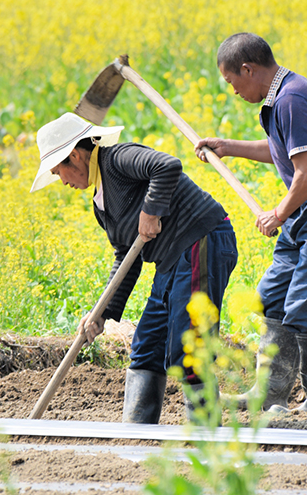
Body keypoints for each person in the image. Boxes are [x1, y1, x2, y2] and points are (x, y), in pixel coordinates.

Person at [195, 32, 307, 414]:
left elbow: (306, 174)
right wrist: (230, 147)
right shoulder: (282, 97)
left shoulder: (291, 98)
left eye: (232, 81)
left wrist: (277, 214)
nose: (233, 91)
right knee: (273, 297)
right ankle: (269, 394)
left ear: (248, 69)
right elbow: (283, 149)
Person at [31, 112, 238, 424]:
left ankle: (206, 435)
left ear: (74, 155)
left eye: (59, 170)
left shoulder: (117, 159)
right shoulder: (101, 203)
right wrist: (102, 312)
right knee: (147, 346)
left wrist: (151, 211)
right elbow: (126, 256)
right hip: (170, 259)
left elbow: (166, 165)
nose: (62, 180)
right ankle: (136, 433)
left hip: (201, 239)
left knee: (190, 345)